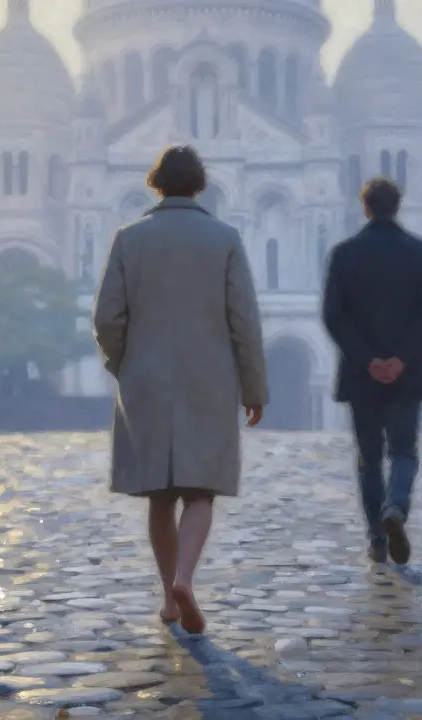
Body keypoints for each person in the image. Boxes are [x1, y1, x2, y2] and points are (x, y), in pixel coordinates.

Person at [92, 145, 269, 634]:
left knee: (159, 495)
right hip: (209, 380)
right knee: (200, 491)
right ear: (199, 185)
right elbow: (244, 321)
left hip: (145, 381)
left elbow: (107, 318)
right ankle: (185, 580)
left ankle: (169, 596)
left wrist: (123, 363)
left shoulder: (128, 238)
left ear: (156, 183)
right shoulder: (225, 238)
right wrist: (253, 387)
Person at [322, 177, 422, 566]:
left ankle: (377, 538)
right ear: (398, 206)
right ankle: (395, 506)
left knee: (370, 458)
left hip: (362, 377)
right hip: (406, 375)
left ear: (364, 207)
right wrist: (402, 358)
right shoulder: (420, 253)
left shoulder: (344, 254)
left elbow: (334, 315)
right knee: (404, 452)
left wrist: (368, 360)